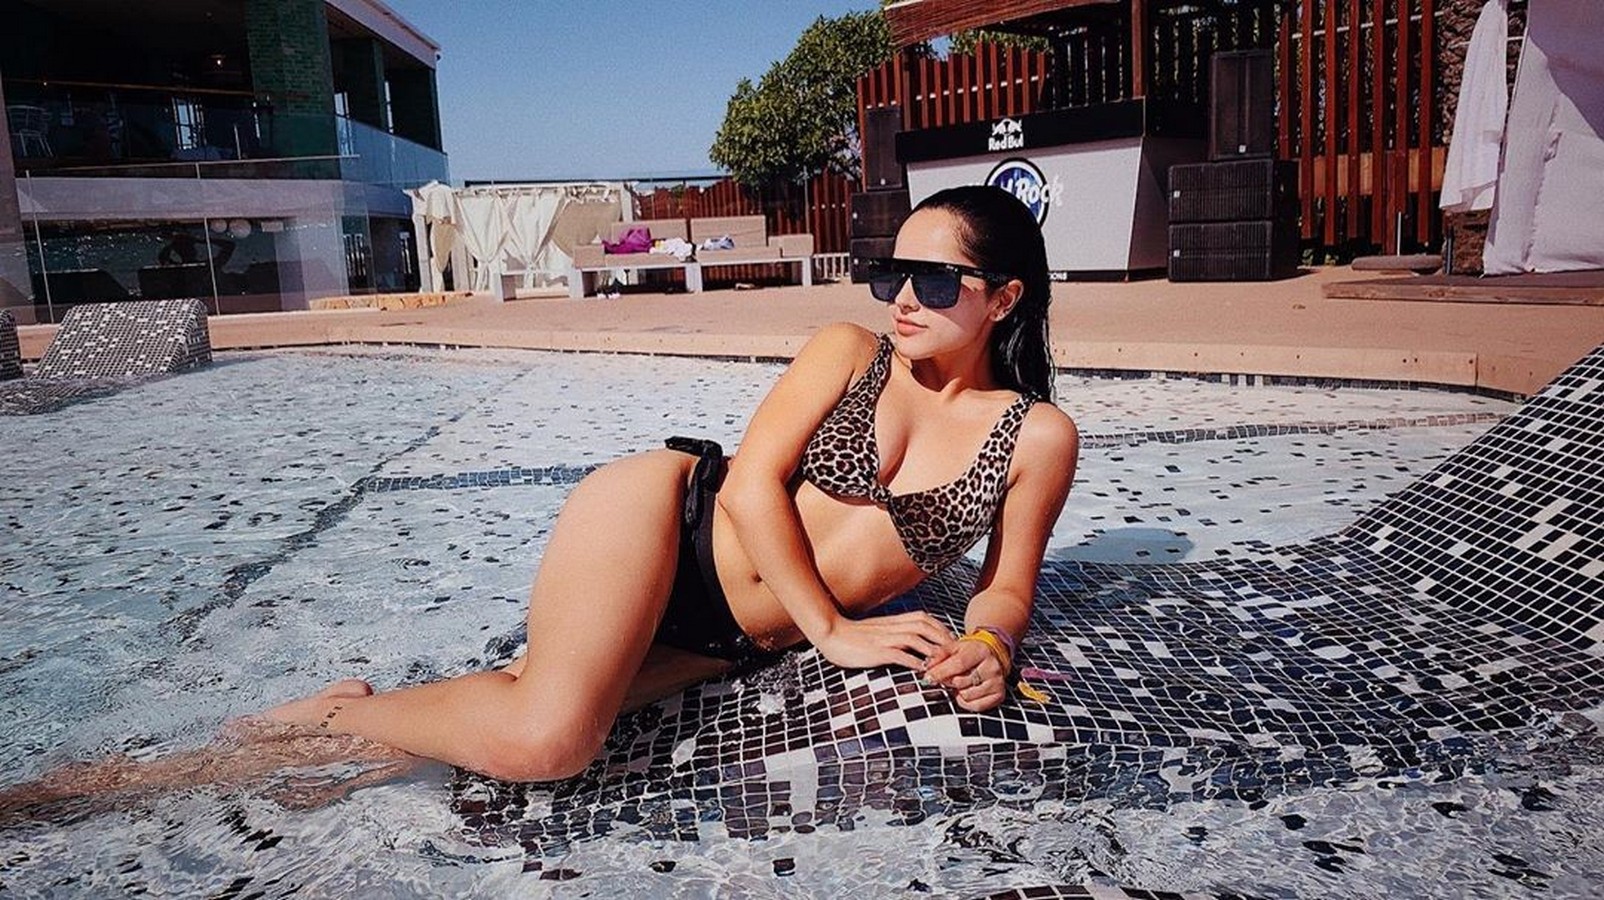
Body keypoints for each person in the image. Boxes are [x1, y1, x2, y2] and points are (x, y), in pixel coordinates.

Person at [1, 185, 1079, 813]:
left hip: (734, 637)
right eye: (890, 272)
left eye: (932, 282)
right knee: (547, 741)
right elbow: (752, 484)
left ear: (1004, 298)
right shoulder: (846, 350)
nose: (900, 299)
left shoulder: (1033, 437)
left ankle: (214, 753)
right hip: (666, 522)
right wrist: (834, 631)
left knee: (489, 725)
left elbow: (1007, 587)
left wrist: (990, 646)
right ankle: (175, 759)